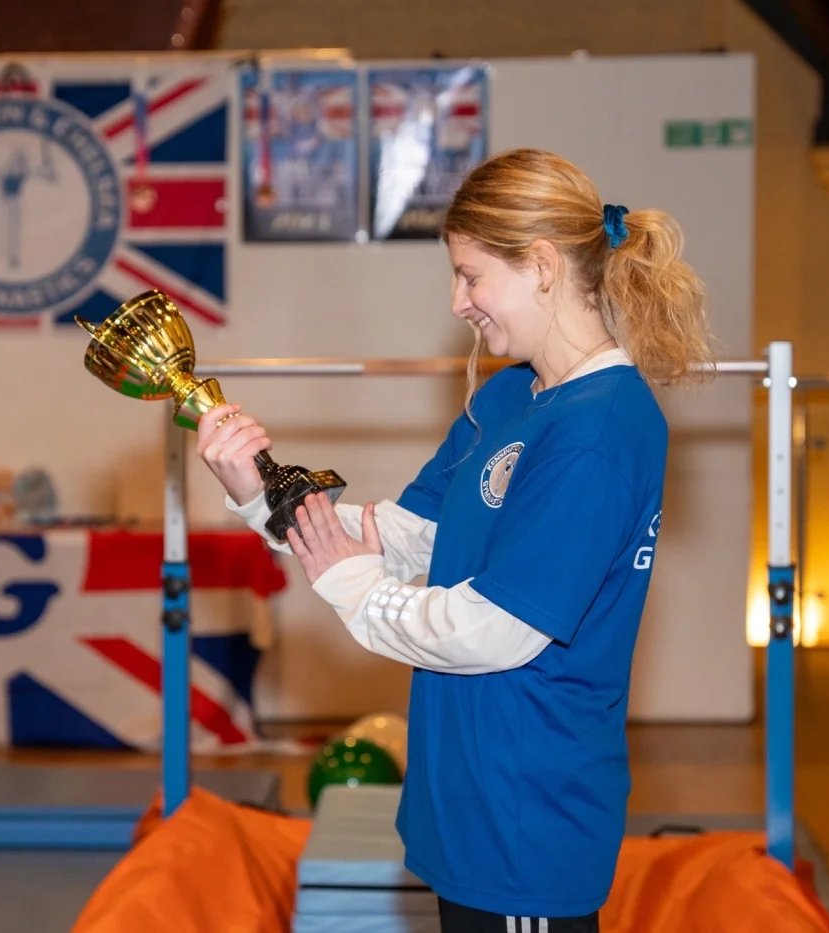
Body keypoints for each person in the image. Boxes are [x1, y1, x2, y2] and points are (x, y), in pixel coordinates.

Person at [196, 148, 713, 932]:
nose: (458, 300)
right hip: (464, 799)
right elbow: (400, 537)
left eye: (471, 275)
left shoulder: (601, 429)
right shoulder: (508, 396)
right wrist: (254, 492)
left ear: (541, 265)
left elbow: (497, 629)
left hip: (526, 821)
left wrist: (355, 590)